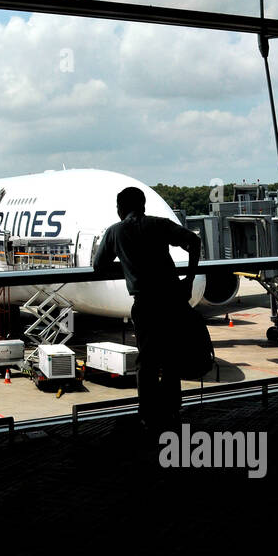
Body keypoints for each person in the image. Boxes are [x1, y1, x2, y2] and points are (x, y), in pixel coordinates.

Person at [93, 186, 201, 446]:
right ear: (143, 205)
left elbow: (99, 266)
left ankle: (148, 416)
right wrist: (189, 279)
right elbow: (194, 241)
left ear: (121, 209)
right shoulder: (159, 225)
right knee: (172, 359)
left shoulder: (115, 232)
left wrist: (127, 263)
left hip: (146, 303)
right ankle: (172, 411)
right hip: (173, 299)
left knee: (147, 362)